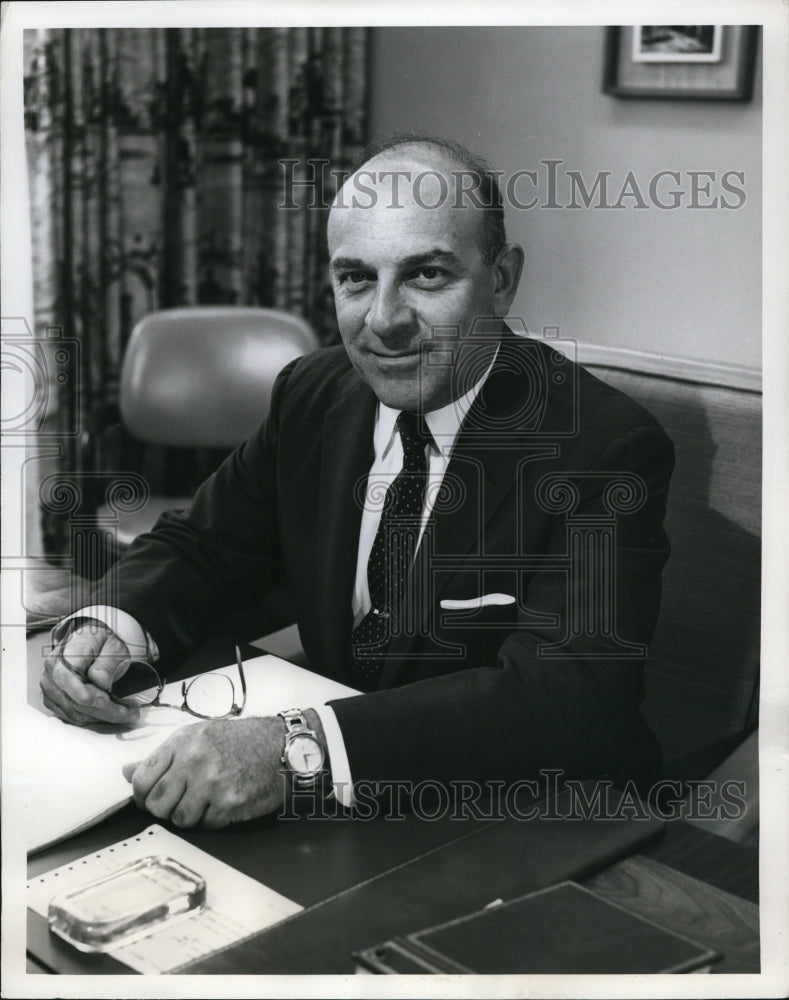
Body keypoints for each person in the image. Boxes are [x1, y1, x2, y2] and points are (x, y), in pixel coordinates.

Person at [41, 134, 674, 829]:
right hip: (345, 812)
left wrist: (301, 751)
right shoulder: (312, 392)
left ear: (501, 279)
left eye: (427, 275)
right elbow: (207, 544)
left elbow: (569, 692)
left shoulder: (603, 447)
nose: (383, 321)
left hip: (533, 816)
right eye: (355, 278)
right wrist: (112, 621)